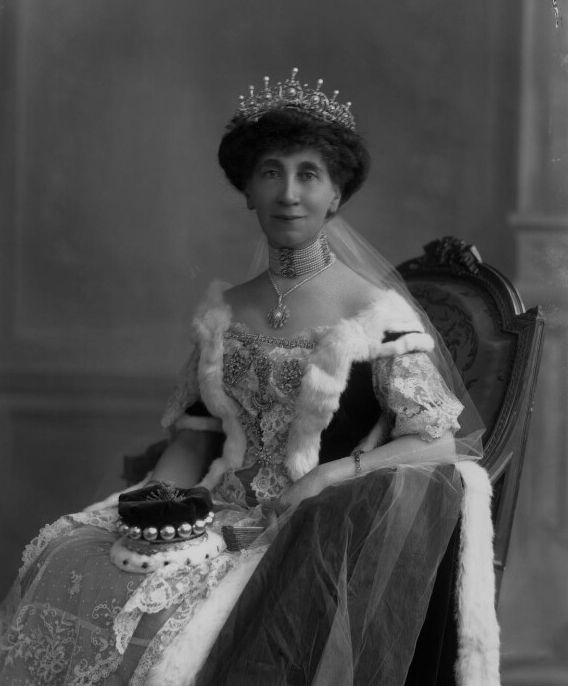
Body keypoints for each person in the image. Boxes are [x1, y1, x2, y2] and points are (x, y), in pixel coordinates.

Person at [0, 68, 500, 686]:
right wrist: (150, 511)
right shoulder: (225, 312)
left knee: (175, 625)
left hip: (311, 534)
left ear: (336, 195)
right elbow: (192, 442)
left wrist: (326, 478)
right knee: (70, 555)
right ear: (248, 191)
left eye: (308, 174)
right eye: (271, 172)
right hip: (217, 510)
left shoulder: (373, 312)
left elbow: (441, 439)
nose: (289, 193)